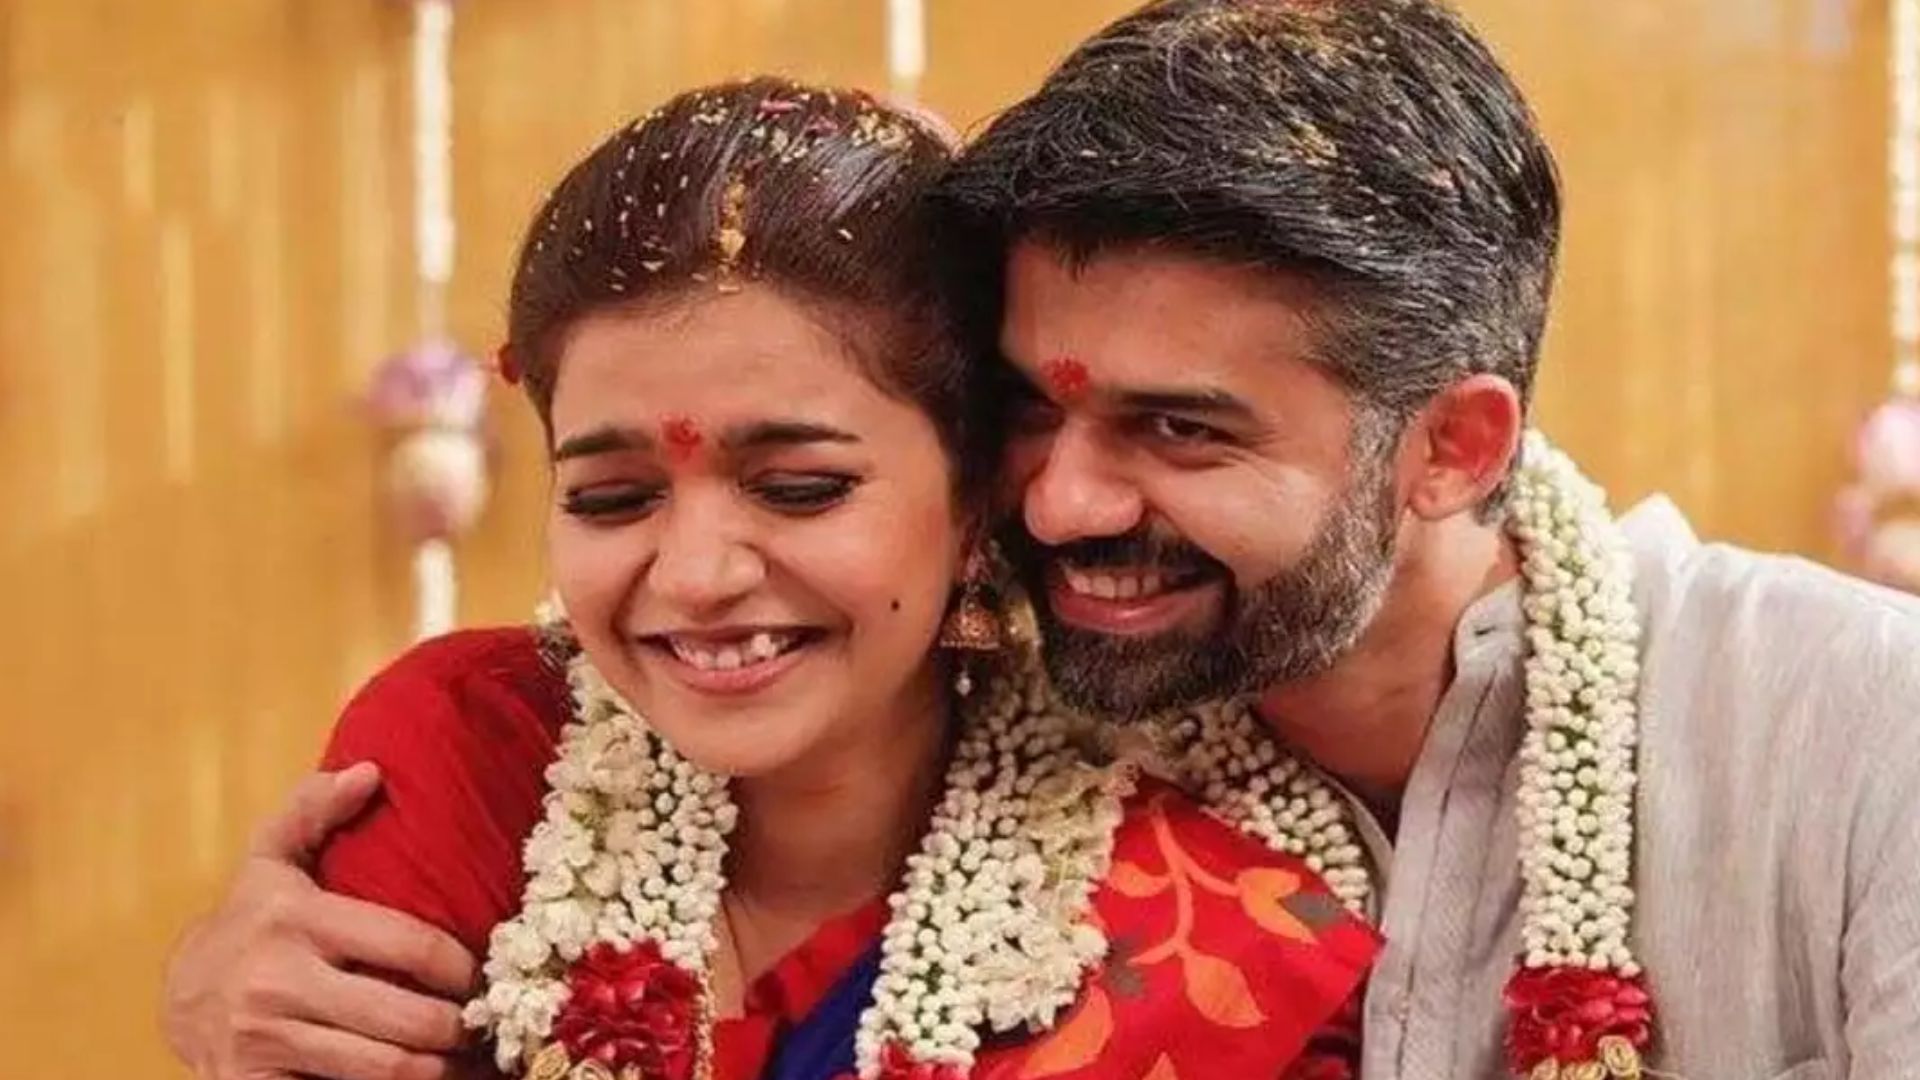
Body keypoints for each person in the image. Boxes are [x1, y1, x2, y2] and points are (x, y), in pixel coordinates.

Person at [168, 1, 1920, 1077]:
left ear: (1452, 449)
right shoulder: (943, 711)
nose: (1064, 504)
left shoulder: (1857, 740)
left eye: (1180, 428)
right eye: (1026, 409)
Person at [164, 75, 1377, 1080]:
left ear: (975, 501)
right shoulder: (473, 752)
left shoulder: (1218, 954)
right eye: (611, 498)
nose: (696, 576)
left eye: (800, 488)